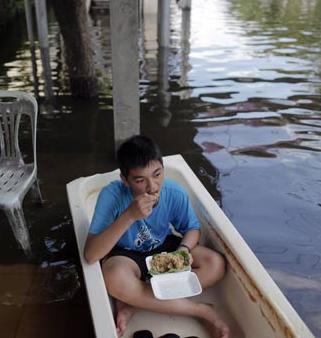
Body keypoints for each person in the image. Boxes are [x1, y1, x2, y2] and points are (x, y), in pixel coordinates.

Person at [84, 135, 229, 338]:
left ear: (162, 166)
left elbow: (192, 229)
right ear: (124, 179)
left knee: (216, 264)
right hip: (126, 254)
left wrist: (182, 251)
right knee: (114, 278)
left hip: (164, 247)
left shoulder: (173, 192)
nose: (152, 187)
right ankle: (202, 310)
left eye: (157, 174)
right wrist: (129, 216)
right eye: (140, 180)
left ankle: (135, 303)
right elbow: (91, 255)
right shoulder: (112, 196)